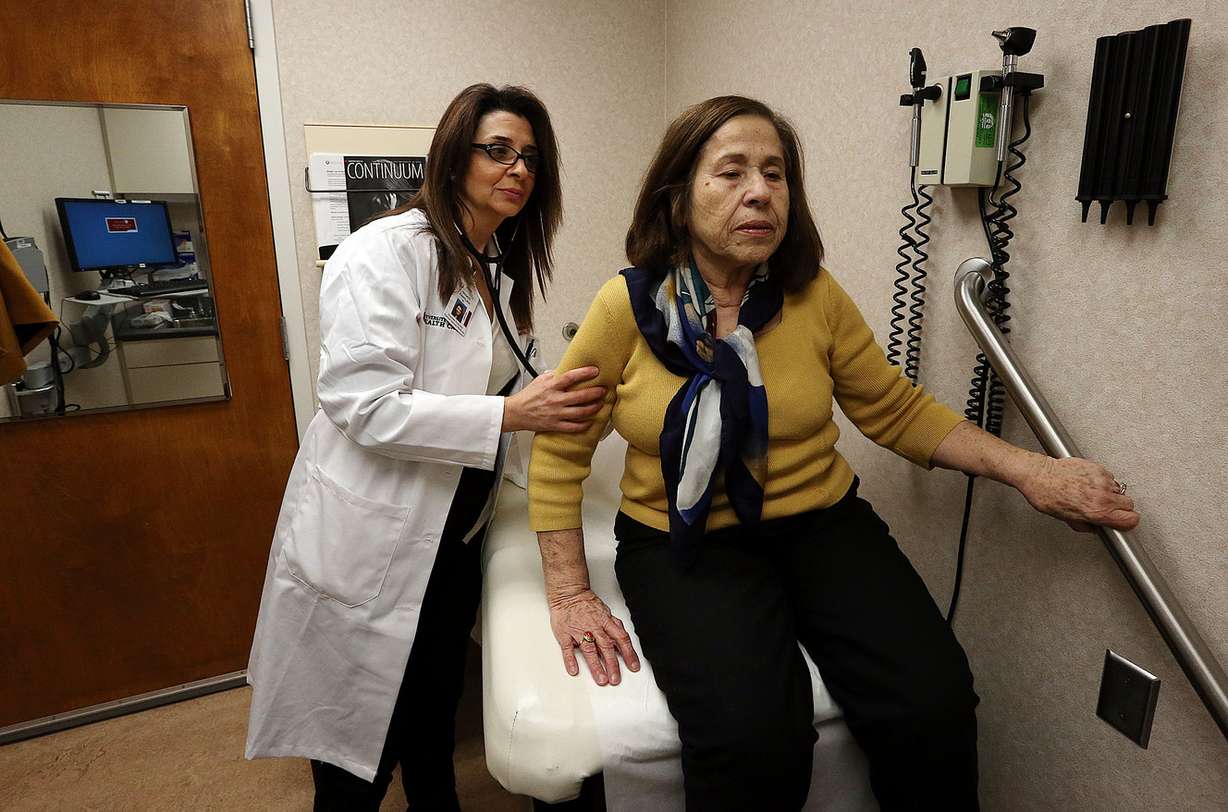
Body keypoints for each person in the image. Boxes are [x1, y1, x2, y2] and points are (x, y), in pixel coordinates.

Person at [527, 95, 1139, 810]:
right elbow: (562, 451)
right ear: (677, 199)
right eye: (732, 172)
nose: (760, 190)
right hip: (681, 544)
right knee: (754, 740)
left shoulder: (812, 296)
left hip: (821, 525)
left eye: (775, 173)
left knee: (934, 702)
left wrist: (1033, 471)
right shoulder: (623, 307)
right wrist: (569, 594)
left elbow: (894, 408)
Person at [245, 83, 606, 811]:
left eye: (531, 158)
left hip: (452, 536)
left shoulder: (495, 270)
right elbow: (362, 403)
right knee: (357, 757)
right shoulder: (384, 251)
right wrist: (510, 415)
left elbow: (499, 384)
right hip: (373, 537)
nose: (518, 170)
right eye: (497, 151)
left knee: (433, 717)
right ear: (452, 157)